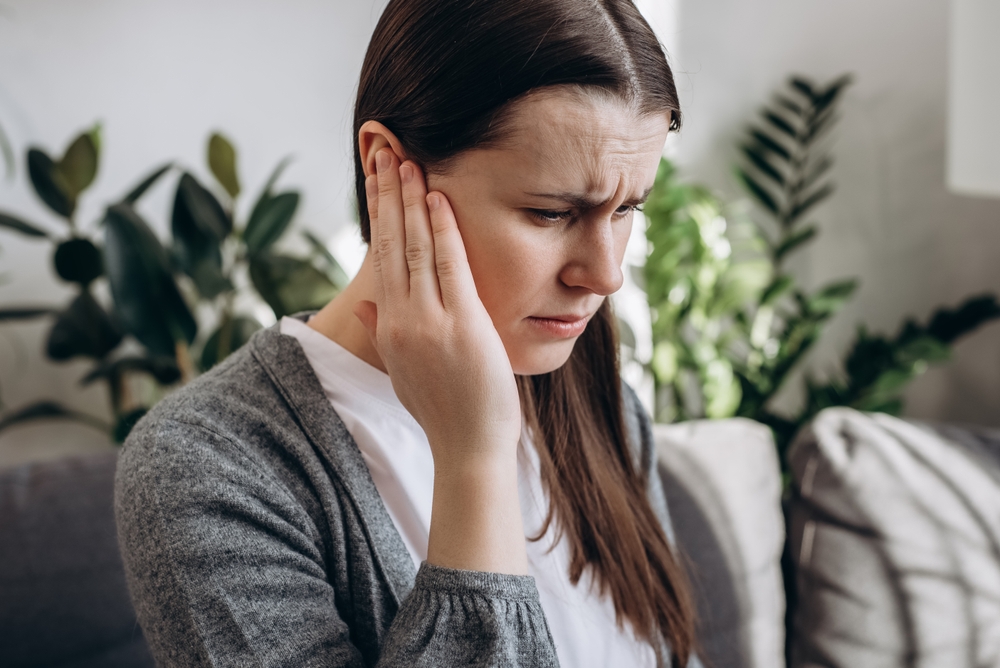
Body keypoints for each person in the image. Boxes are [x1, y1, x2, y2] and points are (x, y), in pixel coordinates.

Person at [115, 0, 702, 666]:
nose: (606, 274)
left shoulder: (599, 400)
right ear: (386, 167)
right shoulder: (209, 466)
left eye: (628, 208)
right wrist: (473, 461)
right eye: (551, 212)